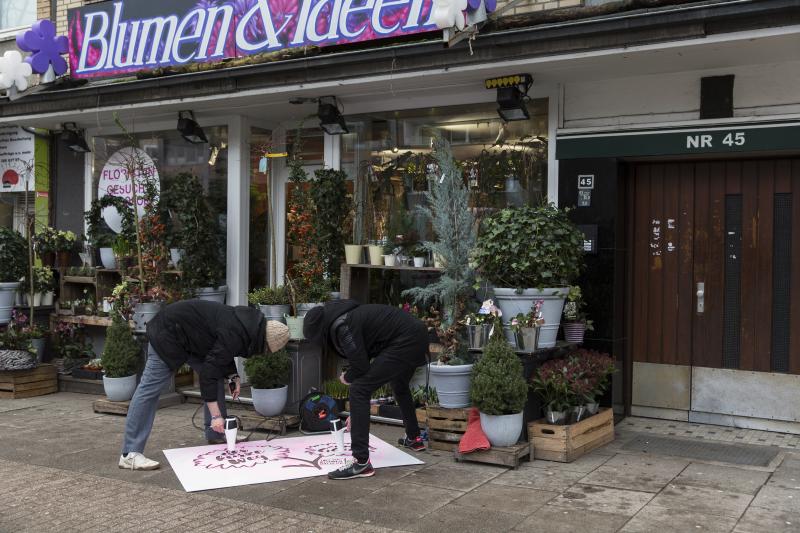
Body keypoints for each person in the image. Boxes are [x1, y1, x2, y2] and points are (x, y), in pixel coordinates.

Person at [118, 299, 290, 470]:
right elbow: (210, 371)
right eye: (266, 350)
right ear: (263, 342)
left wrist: (232, 376)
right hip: (168, 333)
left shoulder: (246, 324)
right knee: (149, 391)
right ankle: (130, 453)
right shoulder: (237, 331)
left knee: (215, 374)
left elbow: (222, 349)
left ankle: (216, 433)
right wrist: (216, 416)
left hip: (189, 337)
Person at [303, 300, 428, 480]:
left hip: (405, 340)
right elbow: (364, 361)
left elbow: (360, 368)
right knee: (399, 385)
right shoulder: (349, 316)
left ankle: (361, 462)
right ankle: (414, 438)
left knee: (358, 390)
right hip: (416, 334)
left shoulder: (342, 326)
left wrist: (346, 378)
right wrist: (356, 412)